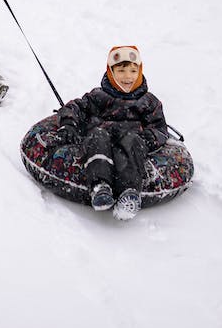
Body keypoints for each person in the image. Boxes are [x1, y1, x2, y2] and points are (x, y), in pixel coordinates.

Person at [55, 45, 169, 220]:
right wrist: (69, 124)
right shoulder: (99, 96)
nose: (127, 76)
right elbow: (75, 107)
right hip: (102, 139)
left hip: (131, 142)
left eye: (133, 70)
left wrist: (148, 139)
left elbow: (159, 128)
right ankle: (100, 187)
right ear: (111, 72)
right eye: (121, 70)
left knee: (132, 141)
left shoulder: (148, 102)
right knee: (97, 136)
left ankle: (129, 193)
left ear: (140, 71)